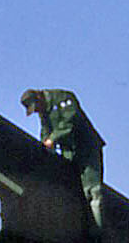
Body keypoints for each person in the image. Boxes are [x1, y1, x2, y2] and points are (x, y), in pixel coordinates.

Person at [20, 88, 106, 233]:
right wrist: (45, 148)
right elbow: (45, 130)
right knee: (74, 192)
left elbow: (69, 122)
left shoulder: (63, 98)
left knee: (93, 192)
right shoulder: (44, 112)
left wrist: (52, 139)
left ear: (39, 98)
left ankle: (98, 232)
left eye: (36, 107)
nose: (37, 111)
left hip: (86, 149)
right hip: (69, 152)